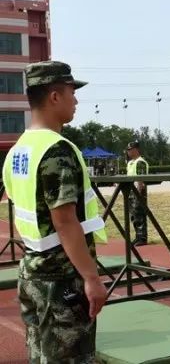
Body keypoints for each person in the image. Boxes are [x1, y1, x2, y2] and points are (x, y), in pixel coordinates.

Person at [2, 61, 107, 362]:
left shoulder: (18, 150)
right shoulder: (56, 150)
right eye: (72, 91)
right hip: (61, 279)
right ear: (54, 96)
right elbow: (64, 221)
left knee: (40, 355)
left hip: (32, 271)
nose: (76, 100)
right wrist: (91, 277)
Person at [125, 140, 149, 246]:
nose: (128, 152)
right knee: (134, 215)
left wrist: (139, 194)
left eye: (130, 150)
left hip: (138, 191)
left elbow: (141, 180)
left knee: (139, 214)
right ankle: (137, 236)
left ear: (136, 150)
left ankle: (142, 237)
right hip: (131, 191)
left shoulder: (140, 162)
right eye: (128, 150)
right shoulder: (130, 163)